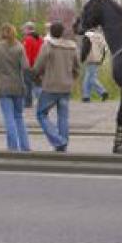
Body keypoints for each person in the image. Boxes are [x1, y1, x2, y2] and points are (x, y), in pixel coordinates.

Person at [33, 21, 80, 152]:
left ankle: (58, 140)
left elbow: (38, 66)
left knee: (41, 114)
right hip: (66, 86)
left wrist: (36, 77)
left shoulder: (47, 46)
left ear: (51, 32)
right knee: (63, 116)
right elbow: (77, 67)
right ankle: (62, 144)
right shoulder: (72, 47)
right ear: (62, 32)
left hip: (51, 86)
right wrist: (72, 78)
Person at [0, 23, 31, 151]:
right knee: (19, 117)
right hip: (18, 86)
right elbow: (26, 67)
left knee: (9, 118)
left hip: (2, 87)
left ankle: (13, 147)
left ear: (1, 33)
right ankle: (25, 146)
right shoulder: (19, 47)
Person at [80, 29, 109, 102]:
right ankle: (86, 96)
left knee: (91, 78)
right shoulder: (100, 36)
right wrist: (102, 59)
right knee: (87, 77)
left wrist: (82, 58)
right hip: (98, 58)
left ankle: (103, 92)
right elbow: (105, 49)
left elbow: (85, 49)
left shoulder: (87, 36)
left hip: (90, 58)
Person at [22, 22, 43, 108]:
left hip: (30, 65)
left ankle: (28, 103)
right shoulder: (41, 39)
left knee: (28, 85)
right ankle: (42, 101)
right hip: (39, 65)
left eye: (24, 29)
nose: (23, 31)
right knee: (38, 84)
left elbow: (27, 54)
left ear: (28, 29)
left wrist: (26, 65)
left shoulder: (28, 39)